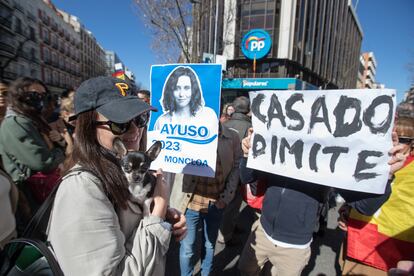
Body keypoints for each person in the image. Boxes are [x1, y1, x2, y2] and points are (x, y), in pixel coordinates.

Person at [46, 76, 187, 275]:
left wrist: (164, 216)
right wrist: (156, 217)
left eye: (140, 119)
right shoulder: (81, 189)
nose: (135, 130)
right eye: (119, 123)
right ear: (87, 126)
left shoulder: (116, 166)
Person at [237, 128, 407, 276]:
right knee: (245, 270)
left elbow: (365, 207)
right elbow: (247, 177)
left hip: (294, 248)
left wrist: (385, 175)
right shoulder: (277, 149)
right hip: (262, 232)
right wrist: (246, 155)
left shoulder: (326, 162)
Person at [338, 114, 414, 275]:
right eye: (390, 136)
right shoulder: (372, 161)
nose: (395, 143)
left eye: (403, 139)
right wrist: (346, 211)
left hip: (389, 254)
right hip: (356, 240)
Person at [178, 123, 241, 276]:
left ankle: (206, 273)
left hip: (216, 202)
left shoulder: (231, 136)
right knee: (187, 248)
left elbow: (237, 166)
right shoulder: (186, 131)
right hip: (191, 201)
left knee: (209, 244)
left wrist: (226, 198)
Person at [0, 77, 68, 213]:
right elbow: (42, 162)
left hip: (42, 190)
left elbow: (58, 145)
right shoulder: (15, 123)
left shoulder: (33, 119)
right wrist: (60, 151)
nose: (40, 98)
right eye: (34, 94)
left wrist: (60, 142)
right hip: (30, 193)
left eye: (43, 95)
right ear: (19, 95)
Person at [218, 96, 253, 245]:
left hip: (220, 167)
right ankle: (225, 234)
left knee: (222, 199)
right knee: (233, 203)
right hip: (238, 170)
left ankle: (226, 227)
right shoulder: (251, 127)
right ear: (248, 110)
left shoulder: (224, 123)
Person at [153, 66, 218, 131]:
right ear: (170, 91)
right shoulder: (162, 121)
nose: (181, 94)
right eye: (176, 88)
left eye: (186, 88)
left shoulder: (209, 116)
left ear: (193, 90)